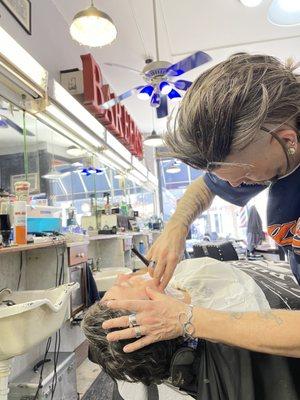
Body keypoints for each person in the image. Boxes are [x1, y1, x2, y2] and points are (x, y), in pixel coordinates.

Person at [102, 53, 300, 357]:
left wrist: (189, 319)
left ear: (288, 140)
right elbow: (207, 186)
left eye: (245, 174)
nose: (236, 186)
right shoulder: (271, 154)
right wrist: (176, 226)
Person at [82, 258, 300, 399]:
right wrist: (189, 318)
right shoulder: (235, 341)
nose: (123, 276)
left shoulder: (183, 280)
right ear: (155, 317)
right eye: (127, 285)